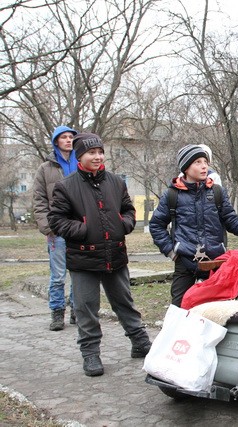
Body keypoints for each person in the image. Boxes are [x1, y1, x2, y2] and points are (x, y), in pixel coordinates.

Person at [47, 133, 152, 377]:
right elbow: (56, 220)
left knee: (124, 302)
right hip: (83, 258)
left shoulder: (116, 182)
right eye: (91, 153)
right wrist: (83, 230)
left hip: (115, 254)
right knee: (86, 308)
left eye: (100, 152)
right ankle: (91, 354)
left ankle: (140, 343)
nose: (97, 157)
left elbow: (128, 210)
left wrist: (123, 223)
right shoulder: (66, 186)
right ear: (79, 156)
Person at [149, 144, 238, 307]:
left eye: (205, 161)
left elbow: (232, 221)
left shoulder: (217, 192)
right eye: (198, 162)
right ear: (186, 168)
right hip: (185, 263)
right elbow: (156, 225)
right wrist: (171, 251)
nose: (204, 166)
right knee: (179, 311)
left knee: (216, 311)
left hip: (216, 263)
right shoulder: (172, 195)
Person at [33, 125, 78, 331]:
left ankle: (77, 311)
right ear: (56, 141)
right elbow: (39, 200)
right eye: (64, 137)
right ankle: (57, 313)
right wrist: (48, 227)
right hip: (57, 230)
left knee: (79, 272)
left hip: (79, 228)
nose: (68, 140)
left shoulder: (81, 163)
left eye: (71, 137)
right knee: (58, 275)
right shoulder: (46, 169)